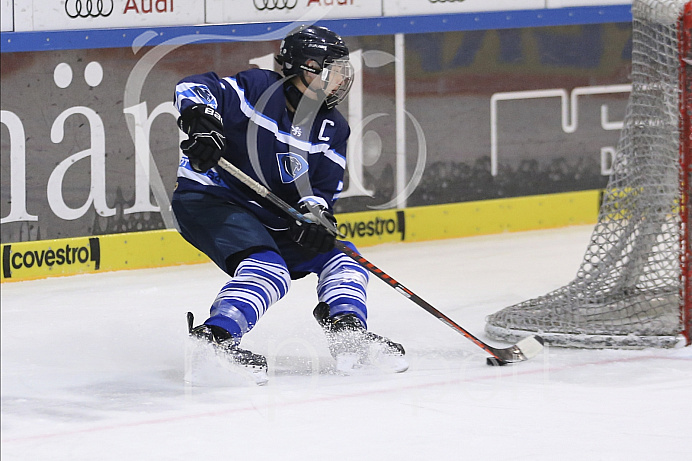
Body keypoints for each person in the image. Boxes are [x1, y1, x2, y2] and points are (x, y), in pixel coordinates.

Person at [172, 25, 407, 382]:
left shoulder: (333, 128)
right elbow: (192, 86)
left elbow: (320, 191)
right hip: (212, 197)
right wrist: (203, 123)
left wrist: (316, 219)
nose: (340, 82)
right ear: (306, 69)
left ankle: (349, 334)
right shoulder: (257, 89)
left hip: (272, 214)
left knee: (345, 259)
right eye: (333, 72)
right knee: (269, 269)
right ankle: (214, 341)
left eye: (344, 74)